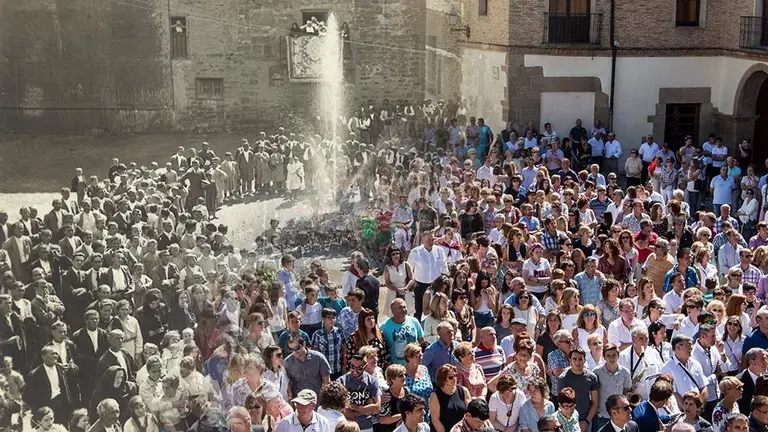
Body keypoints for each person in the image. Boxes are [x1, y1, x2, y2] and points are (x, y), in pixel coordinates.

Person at [408, 231, 448, 321]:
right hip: (420, 285)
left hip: (436, 285)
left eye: (432, 239)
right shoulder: (415, 252)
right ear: (423, 239)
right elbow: (409, 269)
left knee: (436, 308)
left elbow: (444, 268)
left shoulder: (439, 251)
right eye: (428, 239)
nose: (431, 241)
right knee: (418, 310)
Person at [661, 334, 708, 407]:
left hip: (699, 410)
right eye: (688, 345)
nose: (691, 347)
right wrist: (688, 409)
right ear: (678, 347)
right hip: (682, 412)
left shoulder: (695, 363)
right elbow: (673, 394)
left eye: (691, 344)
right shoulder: (667, 368)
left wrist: (699, 407)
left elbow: (703, 387)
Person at [592, 343, 632, 431]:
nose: (611, 358)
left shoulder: (625, 372)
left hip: (619, 416)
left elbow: (626, 391)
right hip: (602, 416)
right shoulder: (596, 372)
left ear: (618, 355)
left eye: (614, 355)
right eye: (608, 355)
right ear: (604, 357)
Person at [381, 298, 425, 365]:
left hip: (414, 363)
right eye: (400, 308)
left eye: (404, 307)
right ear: (393, 310)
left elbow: (421, 340)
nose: (403, 310)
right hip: (397, 366)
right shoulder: (385, 326)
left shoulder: (414, 321)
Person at [430, 364, 470, 432]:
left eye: (455, 375)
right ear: (443, 380)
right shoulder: (435, 395)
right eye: (451, 377)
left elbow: (469, 413)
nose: (455, 378)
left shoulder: (464, 391)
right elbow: (435, 420)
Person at [736, 347, 768, 415]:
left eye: (766, 359)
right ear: (752, 362)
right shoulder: (739, 381)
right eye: (762, 359)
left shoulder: (766, 377)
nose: (766, 362)